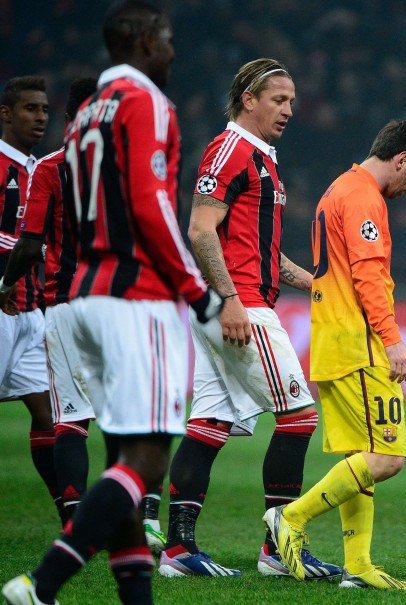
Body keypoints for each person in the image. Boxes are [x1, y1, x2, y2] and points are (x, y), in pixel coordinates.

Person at [2, 2, 222, 604]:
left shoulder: (84, 115)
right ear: (145, 40)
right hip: (135, 300)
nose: (174, 51)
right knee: (146, 464)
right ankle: (42, 584)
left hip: (78, 298)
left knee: (120, 464)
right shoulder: (144, 101)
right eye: (169, 39)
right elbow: (150, 207)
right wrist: (200, 297)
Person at [157, 57, 340, 580]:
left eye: (291, 100)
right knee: (300, 415)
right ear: (248, 100)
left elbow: (264, 253)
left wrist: (316, 284)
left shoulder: (262, 157)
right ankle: (279, 547)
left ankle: (178, 550)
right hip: (241, 309)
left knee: (209, 423)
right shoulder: (232, 148)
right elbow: (199, 230)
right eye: (278, 99)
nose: (289, 109)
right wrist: (232, 299)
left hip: (238, 302)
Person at [263, 119, 406, 591]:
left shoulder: (336, 188)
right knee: (387, 456)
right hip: (359, 345)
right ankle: (290, 519)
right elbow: (367, 276)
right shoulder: (363, 196)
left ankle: (357, 566)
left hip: (331, 341)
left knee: (361, 459)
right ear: (400, 158)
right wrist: (393, 340)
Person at [0, 75, 65, 526]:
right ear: (6, 114)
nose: (40, 117)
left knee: (49, 415)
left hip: (28, 309)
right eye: (29, 109)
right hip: (2, 305)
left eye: (44, 109)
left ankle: (70, 515)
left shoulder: (38, 168)